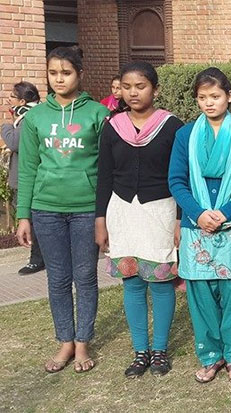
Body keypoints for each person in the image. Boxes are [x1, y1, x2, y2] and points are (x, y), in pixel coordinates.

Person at [16, 46, 110, 373]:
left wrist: (105, 214)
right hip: (46, 209)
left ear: (80, 74)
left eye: (66, 73)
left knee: (85, 276)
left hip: (86, 209)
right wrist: (23, 215)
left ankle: (83, 342)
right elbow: (28, 168)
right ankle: (65, 341)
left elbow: (107, 169)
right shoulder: (36, 117)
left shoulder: (98, 114)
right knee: (57, 278)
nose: (59, 79)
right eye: (53, 73)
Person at [168, 67, 231, 384]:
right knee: (202, 296)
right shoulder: (185, 136)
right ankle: (210, 356)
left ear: (229, 96)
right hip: (197, 227)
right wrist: (198, 213)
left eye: (215, 96)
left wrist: (226, 212)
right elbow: (176, 180)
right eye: (202, 97)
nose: (209, 102)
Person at [95, 62, 184, 378]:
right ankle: (140, 351)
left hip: (160, 211)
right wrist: (100, 219)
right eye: (127, 86)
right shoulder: (112, 126)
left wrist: (179, 219)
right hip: (122, 211)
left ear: (155, 90)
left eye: (141, 86)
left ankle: (159, 350)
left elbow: (181, 176)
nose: (133, 92)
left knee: (160, 282)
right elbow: (104, 175)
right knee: (132, 282)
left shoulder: (172, 126)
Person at [1, 81, 45, 275]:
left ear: (22, 101)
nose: (8, 99)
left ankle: (37, 260)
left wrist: (5, 127)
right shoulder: (23, 116)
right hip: (23, 176)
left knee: (32, 221)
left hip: (27, 178)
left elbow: (14, 142)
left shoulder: (28, 118)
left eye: (12, 96)